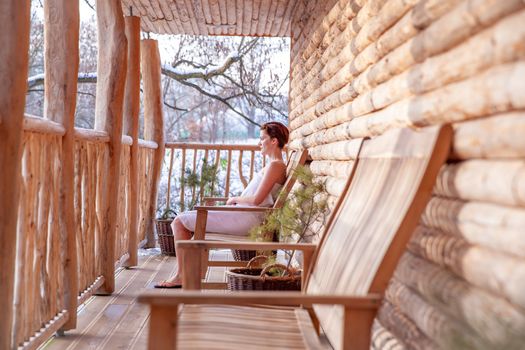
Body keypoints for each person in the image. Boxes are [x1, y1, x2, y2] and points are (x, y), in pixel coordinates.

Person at [155, 121, 289, 288]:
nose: (259, 143)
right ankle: (185, 273)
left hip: (246, 219)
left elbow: (256, 200)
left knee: (179, 221)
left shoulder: (276, 166)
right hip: (240, 215)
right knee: (181, 220)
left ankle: (182, 275)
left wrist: (235, 199)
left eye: (262, 138)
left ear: (274, 141)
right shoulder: (273, 165)